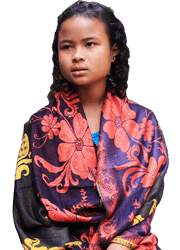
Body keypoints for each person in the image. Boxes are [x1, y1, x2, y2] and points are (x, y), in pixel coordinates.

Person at [13, 1, 169, 249]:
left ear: (113, 51)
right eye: (67, 47)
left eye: (89, 44)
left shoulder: (143, 122)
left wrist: (121, 244)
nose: (77, 55)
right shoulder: (40, 126)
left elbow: (148, 197)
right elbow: (29, 211)